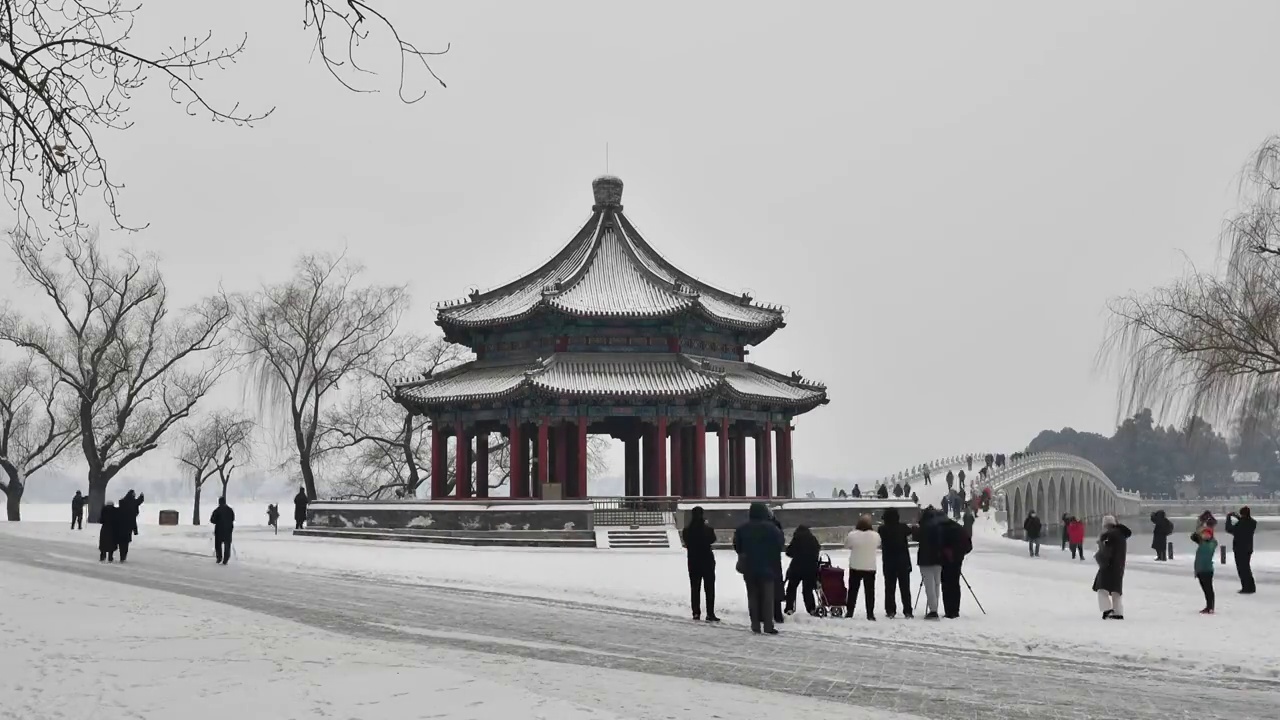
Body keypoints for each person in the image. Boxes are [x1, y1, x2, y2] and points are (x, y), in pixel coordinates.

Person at [733, 502, 785, 634]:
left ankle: (755, 625)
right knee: (768, 598)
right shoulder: (772, 528)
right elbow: (780, 544)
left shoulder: (742, 528)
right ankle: (768, 625)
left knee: (752, 596)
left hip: (749, 567)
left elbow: (737, 546)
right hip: (767, 566)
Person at [682, 506, 720, 622]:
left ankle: (696, 612)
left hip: (693, 561)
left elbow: (686, 542)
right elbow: (713, 539)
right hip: (707, 561)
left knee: (695, 588)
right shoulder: (708, 529)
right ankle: (710, 613)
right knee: (709, 588)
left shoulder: (687, 530)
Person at [1092, 515, 1131, 620]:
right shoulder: (1121, 535)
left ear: (1106, 524)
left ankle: (1107, 608)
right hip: (1119, 565)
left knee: (1101, 588)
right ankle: (1118, 612)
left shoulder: (1109, 535)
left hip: (1108, 565)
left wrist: (1100, 547)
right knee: (1116, 589)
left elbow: (1106, 552)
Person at [878, 508, 913, 619]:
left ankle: (890, 610)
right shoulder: (903, 527)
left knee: (889, 588)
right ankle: (907, 611)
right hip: (903, 562)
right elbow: (911, 531)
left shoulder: (882, 529)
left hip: (889, 563)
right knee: (905, 588)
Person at [843, 514, 880, 620]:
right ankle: (870, 614)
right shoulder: (875, 535)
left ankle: (850, 612)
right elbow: (878, 544)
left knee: (853, 590)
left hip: (855, 565)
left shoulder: (852, 535)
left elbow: (847, 546)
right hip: (870, 566)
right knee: (870, 591)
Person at [939, 514, 972, 619]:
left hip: (944, 561)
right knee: (955, 585)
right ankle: (955, 610)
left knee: (946, 585)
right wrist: (960, 555)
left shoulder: (941, 530)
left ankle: (948, 610)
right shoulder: (959, 529)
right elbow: (968, 546)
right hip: (956, 561)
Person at [914, 508, 945, 620]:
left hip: (926, 560)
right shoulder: (940, 527)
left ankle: (933, 610)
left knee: (929, 586)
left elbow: (915, 537)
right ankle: (935, 607)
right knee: (937, 584)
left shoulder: (923, 527)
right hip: (938, 559)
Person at [783, 525, 820, 616]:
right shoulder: (813, 539)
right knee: (807, 590)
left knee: (791, 588)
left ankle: (789, 608)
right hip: (810, 568)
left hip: (796, 568)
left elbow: (789, 552)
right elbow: (817, 550)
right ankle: (811, 608)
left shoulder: (797, 539)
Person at [1225, 507, 1257, 594]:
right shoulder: (1253, 523)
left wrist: (1228, 518)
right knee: (1246, 568)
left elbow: (1229, 529)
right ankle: (1251, 587)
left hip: (1240, 549)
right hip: (1248, 548)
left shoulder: (1241, 524)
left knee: (1242, 569)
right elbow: (1245, 522)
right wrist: (1238, 518)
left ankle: (1246, 588)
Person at [1192, 525, 1218, 614]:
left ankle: (1210, 607)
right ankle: (1208, 606)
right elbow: (1193, 537)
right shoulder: (1202, 542)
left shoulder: (1211, 544)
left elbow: (1211, 545)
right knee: (1205, 589)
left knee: (1208, 589)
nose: (1205, 536)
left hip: (1207, 570)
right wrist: (1199, 529)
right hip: (1200, 569)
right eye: (1204, 534)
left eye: (1207, 534)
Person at [114, 490, 144, 562]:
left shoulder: (122, 502)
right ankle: (123, 556)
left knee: (121, 541)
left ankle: (122, 555)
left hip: (121, 525)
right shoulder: (132, 504)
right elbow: (138, 502)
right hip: (128, 526)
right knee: (126, 542)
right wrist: (142, 497)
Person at [210, 496, 236, 565]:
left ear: (219, 502)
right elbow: (233, 518)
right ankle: (226, 559)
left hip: (219, 530)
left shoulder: (217, 510)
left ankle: (219, 558)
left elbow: (212, 520)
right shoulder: (230, 510)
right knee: (227, 545)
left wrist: (217, 521)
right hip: (228, 530)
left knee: (218, 545)